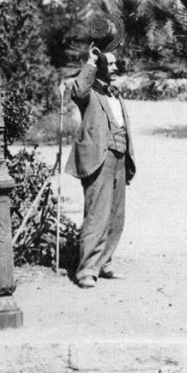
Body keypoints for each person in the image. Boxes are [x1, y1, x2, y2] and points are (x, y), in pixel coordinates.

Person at [65, 43, 136, 289]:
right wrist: (92, 61)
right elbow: (77, 90)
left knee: (116, 217)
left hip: (119, 158)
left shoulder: (115, 94)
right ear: (101, 67)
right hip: (99, 159)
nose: (116, 67)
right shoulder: (90, 93)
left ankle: (104, 263)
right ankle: (86, 270)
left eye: (117, 63)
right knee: (97, 215)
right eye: (111, 63)